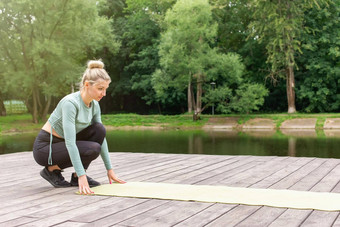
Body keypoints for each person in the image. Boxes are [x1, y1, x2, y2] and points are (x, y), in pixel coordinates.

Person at [33, 60, 125, 195]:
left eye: (105, 89)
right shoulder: (70, 103)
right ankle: (51, 170)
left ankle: (76, 177)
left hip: (64, 144)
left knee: (99, 129)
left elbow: (101, 137)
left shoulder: (94, 105)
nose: (104, 94)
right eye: (100, 89)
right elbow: (70, 143)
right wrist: (84, 177)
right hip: (46, 148)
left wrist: (109, 169)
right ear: (87, 85)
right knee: (93, 148)